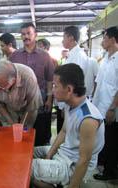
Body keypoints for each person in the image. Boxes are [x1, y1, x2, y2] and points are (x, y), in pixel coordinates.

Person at [32, 63, 104, 188]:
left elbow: (84, 160)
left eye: (55, 86)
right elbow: (64, 132)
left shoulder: (88, 119)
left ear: (69, 90)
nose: (52, 90)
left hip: (72, 165)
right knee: (29, 152)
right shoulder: (70, 104)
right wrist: (49, 155)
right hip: (65, 153)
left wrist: (73, 186)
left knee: (27, 168)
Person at [10, 22, 55, 146]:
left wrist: (49, 99)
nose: (26, 37)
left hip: (40, 97)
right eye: (23, 34)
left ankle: (37, 156)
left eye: (29, 33)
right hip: (20, 99)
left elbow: (50, 79)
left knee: (39, 130)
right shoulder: (15, 56)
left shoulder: (45, 56)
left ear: (35, 35)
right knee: (23, 129)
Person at [92, 26, 118, 181]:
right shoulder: (106, 58)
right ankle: (103, 164)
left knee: (112, 140)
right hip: (100, 107)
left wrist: (112, 108)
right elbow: (99, 83)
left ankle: (110, 171)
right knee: (104, 138)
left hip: (111, 108)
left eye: (104, 37)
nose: (102, 41)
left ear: (113, 39)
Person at [0, 60, 43, 128]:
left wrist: (21, 126)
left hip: (28, 109)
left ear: (13, 80)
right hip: (7, 109)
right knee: (9, 132)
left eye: (1, 86)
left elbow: (32, 105)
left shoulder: (28, 77)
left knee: (25, 132)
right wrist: (11, 122)